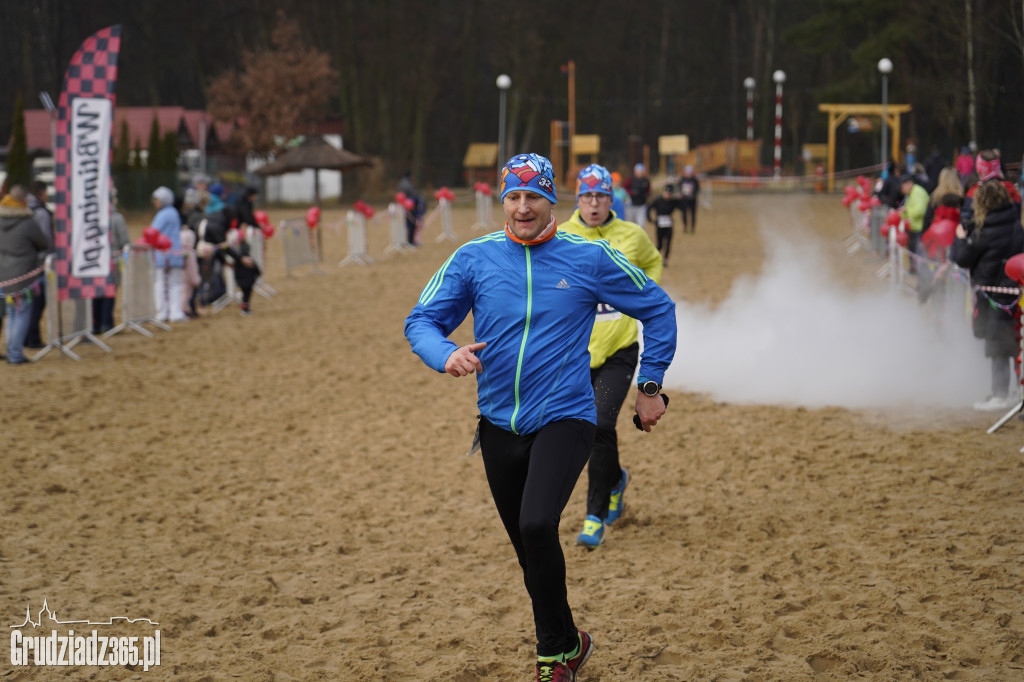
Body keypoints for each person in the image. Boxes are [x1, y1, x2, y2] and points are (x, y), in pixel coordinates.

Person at [404, 153, 676, 681]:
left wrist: (649, 383)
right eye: (513, 197)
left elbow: (658, 307)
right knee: (531, 550)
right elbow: (422, 320)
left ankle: (552, 657)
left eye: (534, 197)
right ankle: (571, 641)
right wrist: (446, 354)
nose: (522, 208)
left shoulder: (589, 257)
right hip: (498, 424)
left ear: (553, 201)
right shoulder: (474, 258)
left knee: (536, 524)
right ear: (502, 200)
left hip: (566, 416)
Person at [561, 163, 663, 551]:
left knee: (601, 423)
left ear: (611, 199)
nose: (593, 204)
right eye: (586, 196)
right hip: (573, 352)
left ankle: (594, 516)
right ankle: (616, 479)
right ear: (578, 200)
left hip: (620, 349)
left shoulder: (631, 235)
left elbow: (652, 263)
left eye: (600, 196)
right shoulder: (562, 236)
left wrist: (643, 295)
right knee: (581, 431)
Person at [951, 179, 1024, 411]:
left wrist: (961, 238)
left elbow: (962, 258)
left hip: (993, 295)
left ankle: (1000, 395)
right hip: (1016, 293)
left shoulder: (985, 229)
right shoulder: (1016, 224)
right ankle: (1016, 392)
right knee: (1016, 344)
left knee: (998, 346)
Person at [0, 184, 50, 364]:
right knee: (22, 315)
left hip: (4, 276)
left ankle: (12, 351)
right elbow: (44, 243)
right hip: (24, 276)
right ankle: (15, 354)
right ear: (22, 202)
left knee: (12, 315)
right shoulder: (27, 222)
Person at [91, 187, 130, 334]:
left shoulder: (93, 218)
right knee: (109, 292)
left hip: (94, 262)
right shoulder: (117, 218)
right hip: (112, 262)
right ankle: (106, 323)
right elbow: (125, 241)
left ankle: (95, 324)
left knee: (96, 293)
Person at [24, 180, 52, 348]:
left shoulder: (24, 209)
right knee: (37, 303)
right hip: (38, 267)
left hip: (24, 265)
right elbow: (45, 241)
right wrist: (44, 262)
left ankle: (28, 337)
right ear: (42, 193)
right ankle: (33, 338)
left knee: (26, 305)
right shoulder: (42, 213)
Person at [151, 186, 186, 323]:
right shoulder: (173, 213)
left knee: (161, 284)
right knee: (174, 284)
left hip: (163, 254)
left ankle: (162, 312)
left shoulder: (163, 214)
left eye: (157, 199)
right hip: (174, 254)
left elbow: (153, 231)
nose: (155, 202)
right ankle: (174, 312)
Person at [899, 173, 930, 260]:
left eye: (902, 187)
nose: (901, 190)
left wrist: (906, 211)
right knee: (913, 252)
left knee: (918, 254)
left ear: (909, 184)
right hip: (914, 228)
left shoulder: (917, 192)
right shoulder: (911, 193)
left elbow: (920, 210)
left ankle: (918, 270)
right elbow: (909, 208)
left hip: (920, 228)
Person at [647, 183, 679, 266]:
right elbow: (649, 208)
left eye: (669, 193)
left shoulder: (673, 201)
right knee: (659, 244)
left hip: (669, 225)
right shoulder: (658, 201)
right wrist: (650, 219)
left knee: (668, 242)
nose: (667, 195)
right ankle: (655, 258)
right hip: (660, 225)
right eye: (666, 193)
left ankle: (665, 259)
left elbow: (682, 206)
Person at [397, 171, 426, 246]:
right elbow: (414, 195)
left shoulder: (400, 183)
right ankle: (410, 241)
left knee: (406, 225)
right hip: (410, 207)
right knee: (411, 225)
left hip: (404, 206)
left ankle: (407, 241)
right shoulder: (408, 184)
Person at [621, 163, 651, 227]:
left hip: (641, 205)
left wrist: (647, 195)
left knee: (641, 224)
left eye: (641, 171)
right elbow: (624, 189)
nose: (640, 173)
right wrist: (631, 192)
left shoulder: (646, 180)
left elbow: (648, 190)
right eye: (638, 171)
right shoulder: (630, 179)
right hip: (631, 205)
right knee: (632, 224)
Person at [677, 165, 700, 233]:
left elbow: (698, 188)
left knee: (693, 214)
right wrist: (680, 193)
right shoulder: (682, 179)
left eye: (690, 172)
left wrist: (693, 192)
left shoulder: (694, 180)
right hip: (684, 199)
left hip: (692, 199)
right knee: (684, 214)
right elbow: (679, 188)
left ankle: (692, 227)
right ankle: (685, 226)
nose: (688, 173)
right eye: (687, 172)